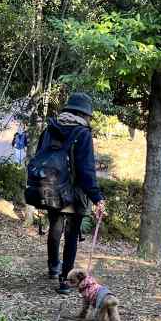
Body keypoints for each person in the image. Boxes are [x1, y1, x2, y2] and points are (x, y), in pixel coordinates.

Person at [36, 92, 105, 294]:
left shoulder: (51, 128)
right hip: (75, 192)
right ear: (84, 114)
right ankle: (65, 280)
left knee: (55, 228)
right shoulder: (82, 133)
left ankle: (53, 266)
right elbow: (86, 170)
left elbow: (39, 157)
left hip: (51, 187)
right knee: (72, 235)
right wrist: (97, 196)